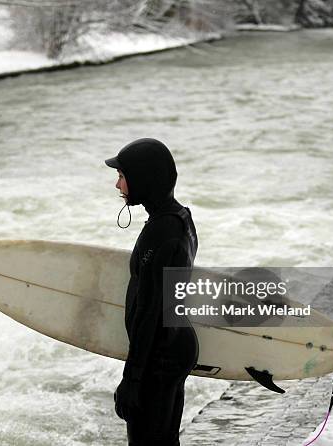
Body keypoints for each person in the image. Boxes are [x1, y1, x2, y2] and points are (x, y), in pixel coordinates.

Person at [104, 138, 199, 446]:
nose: (118, 183)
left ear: (144, 179)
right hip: (171, 349)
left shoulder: (162, 233)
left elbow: (150, 313)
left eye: (122, 175)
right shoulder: (180, 218)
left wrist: (132, 379)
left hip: (159, 357)